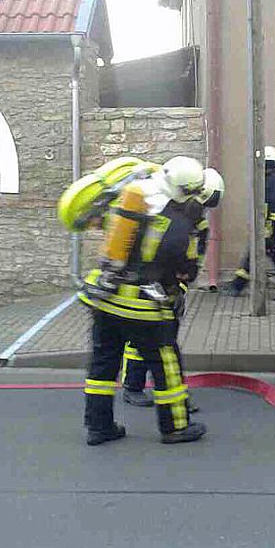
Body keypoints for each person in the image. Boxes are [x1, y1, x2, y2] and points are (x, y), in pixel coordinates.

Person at [80, 156, 208, 446]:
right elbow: (184, 267)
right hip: (144, 307)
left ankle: (99, 427)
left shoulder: (130, 197)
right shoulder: (177, 220)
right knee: (166, 366)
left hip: (107, 299)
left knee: (102, 365)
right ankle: (175, 427)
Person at [121, 168, 225, 408]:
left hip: (170, 287)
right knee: (149, 341)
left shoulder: (193, 219)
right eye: (204, 202)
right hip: (148, 286)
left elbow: (192, 256)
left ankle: (170, 394)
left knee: (164, 344)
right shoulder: (166, 213)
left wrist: (182, 285)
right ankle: (135, 387)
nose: (204, 208)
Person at [223, 145, 275, 299]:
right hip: (267, 227)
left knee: (256, 256)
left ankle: (238, 285)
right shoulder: (269, 178)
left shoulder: (274, 180)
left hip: (270, 227)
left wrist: (270, 229)